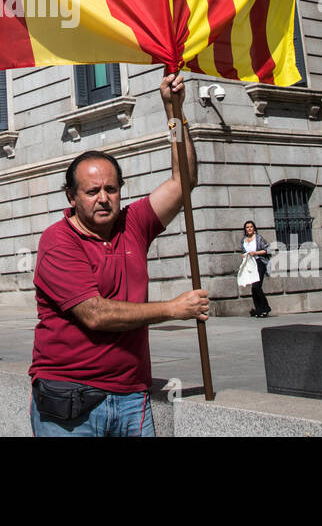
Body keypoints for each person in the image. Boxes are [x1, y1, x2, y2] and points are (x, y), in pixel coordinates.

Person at [29, 70, 209, 437]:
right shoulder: (57, 240)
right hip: (71, 401)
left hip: (132, 398)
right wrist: (173, 309)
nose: (103, 197)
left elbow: (184, 181)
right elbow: (95, 314)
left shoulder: (134, 224)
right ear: (72, 197)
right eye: (92, 190)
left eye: (111, 189)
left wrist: (175, 114)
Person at [241, 220, 272, 318]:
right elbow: (245, 252)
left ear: (254, 228)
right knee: (254, 289)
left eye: (251, 227)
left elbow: (267, 250)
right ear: (245, 229)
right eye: (247, 227)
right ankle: (259, 310)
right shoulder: (243, 240)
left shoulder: (258, 238)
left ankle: (265, 308)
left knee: (256, 286)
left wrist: (255, 253)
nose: (249, 229)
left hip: (259, 263)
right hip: (250, 265)